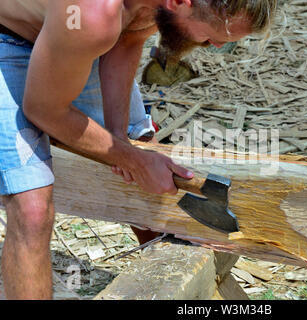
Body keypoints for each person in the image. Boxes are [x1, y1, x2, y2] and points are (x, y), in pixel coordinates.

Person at [0, 0, 276, 299]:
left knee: (142, 147)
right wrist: (132, 160)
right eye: (214, 36)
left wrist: (121, 141)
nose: (217, 46)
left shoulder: (156, 8)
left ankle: (177, 285)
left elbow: (129, 37)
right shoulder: (94, 12)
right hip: (9, 40)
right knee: (32, 210)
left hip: (74, 38)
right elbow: (44, 109)